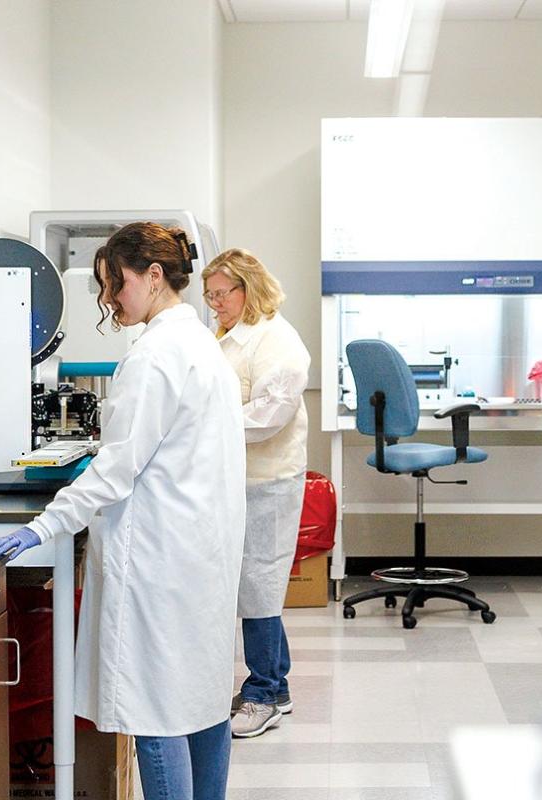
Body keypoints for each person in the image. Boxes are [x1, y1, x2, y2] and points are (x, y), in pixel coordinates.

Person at [0, 223, 246, 800]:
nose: (109, 300)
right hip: (200, 555)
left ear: (154, 276)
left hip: (159, 562)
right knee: (202, 705)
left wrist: (42, 525)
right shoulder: (203, 343)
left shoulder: (154, 356)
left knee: (153, 713)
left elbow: (115, 468)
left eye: (116, 284)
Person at [201, 248, 311, 739]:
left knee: (260, 585)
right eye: (210, 295)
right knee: (252, 584)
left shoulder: (278, 340)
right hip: (239, 477)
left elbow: (271, 414)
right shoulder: (228, 336)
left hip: (268, 479)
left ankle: (264, 691)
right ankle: (274, 683)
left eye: (222, 294)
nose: (215, 303)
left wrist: (206, 426)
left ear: (248, 289)